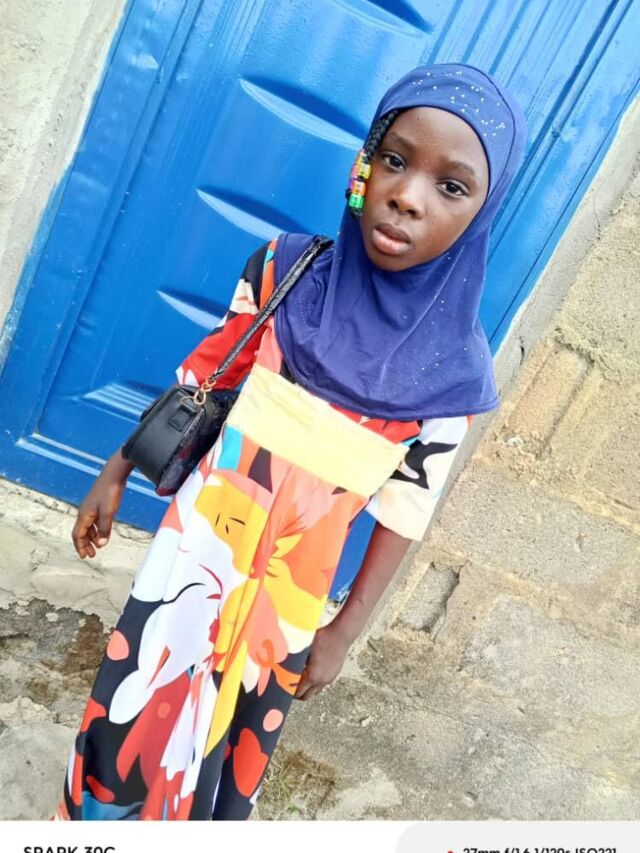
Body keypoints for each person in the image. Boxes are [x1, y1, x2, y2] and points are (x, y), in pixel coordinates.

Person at [53, 62, 526, 820]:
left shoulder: (455, 375)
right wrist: (116, 469)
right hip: (191, 561)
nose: (407, 195)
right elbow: (204, 376)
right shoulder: (285, 270)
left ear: (483, 213)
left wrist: (344, 631)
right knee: (133, 715)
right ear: (363, 167)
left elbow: (406, 510)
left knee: (222, 755)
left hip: (289, 602)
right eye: (394, 160)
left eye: (451, 186)